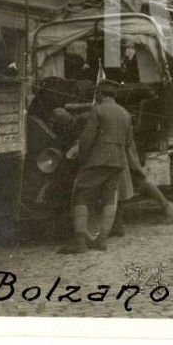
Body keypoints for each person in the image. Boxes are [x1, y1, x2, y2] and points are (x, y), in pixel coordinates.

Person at [59, 79, 133, 254]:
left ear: (100, 94)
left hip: (98, 160)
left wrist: (83, 160)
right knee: (109, 198)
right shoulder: (125, 114)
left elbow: (87, 138)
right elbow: (128, 142)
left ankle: (79, 243)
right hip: (118, 162)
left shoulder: (97, 110)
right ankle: (101, 240)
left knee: (81, 196)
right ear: (114, 95)